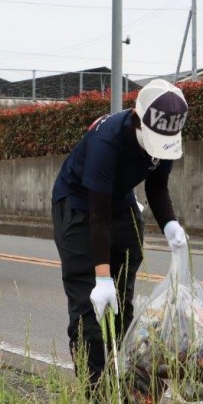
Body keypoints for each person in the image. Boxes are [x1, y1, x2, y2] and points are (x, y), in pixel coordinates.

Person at [52, 79, 189, 386]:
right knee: (91, 306)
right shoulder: (108, 140)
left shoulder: (166, 131)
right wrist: (101, 278)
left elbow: (157, 185)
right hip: (79, 204)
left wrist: (170, 224)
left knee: (122, 302)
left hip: (120, 200)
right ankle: (96, 395)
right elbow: (97, 217)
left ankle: (126, 386)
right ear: (137, 120)